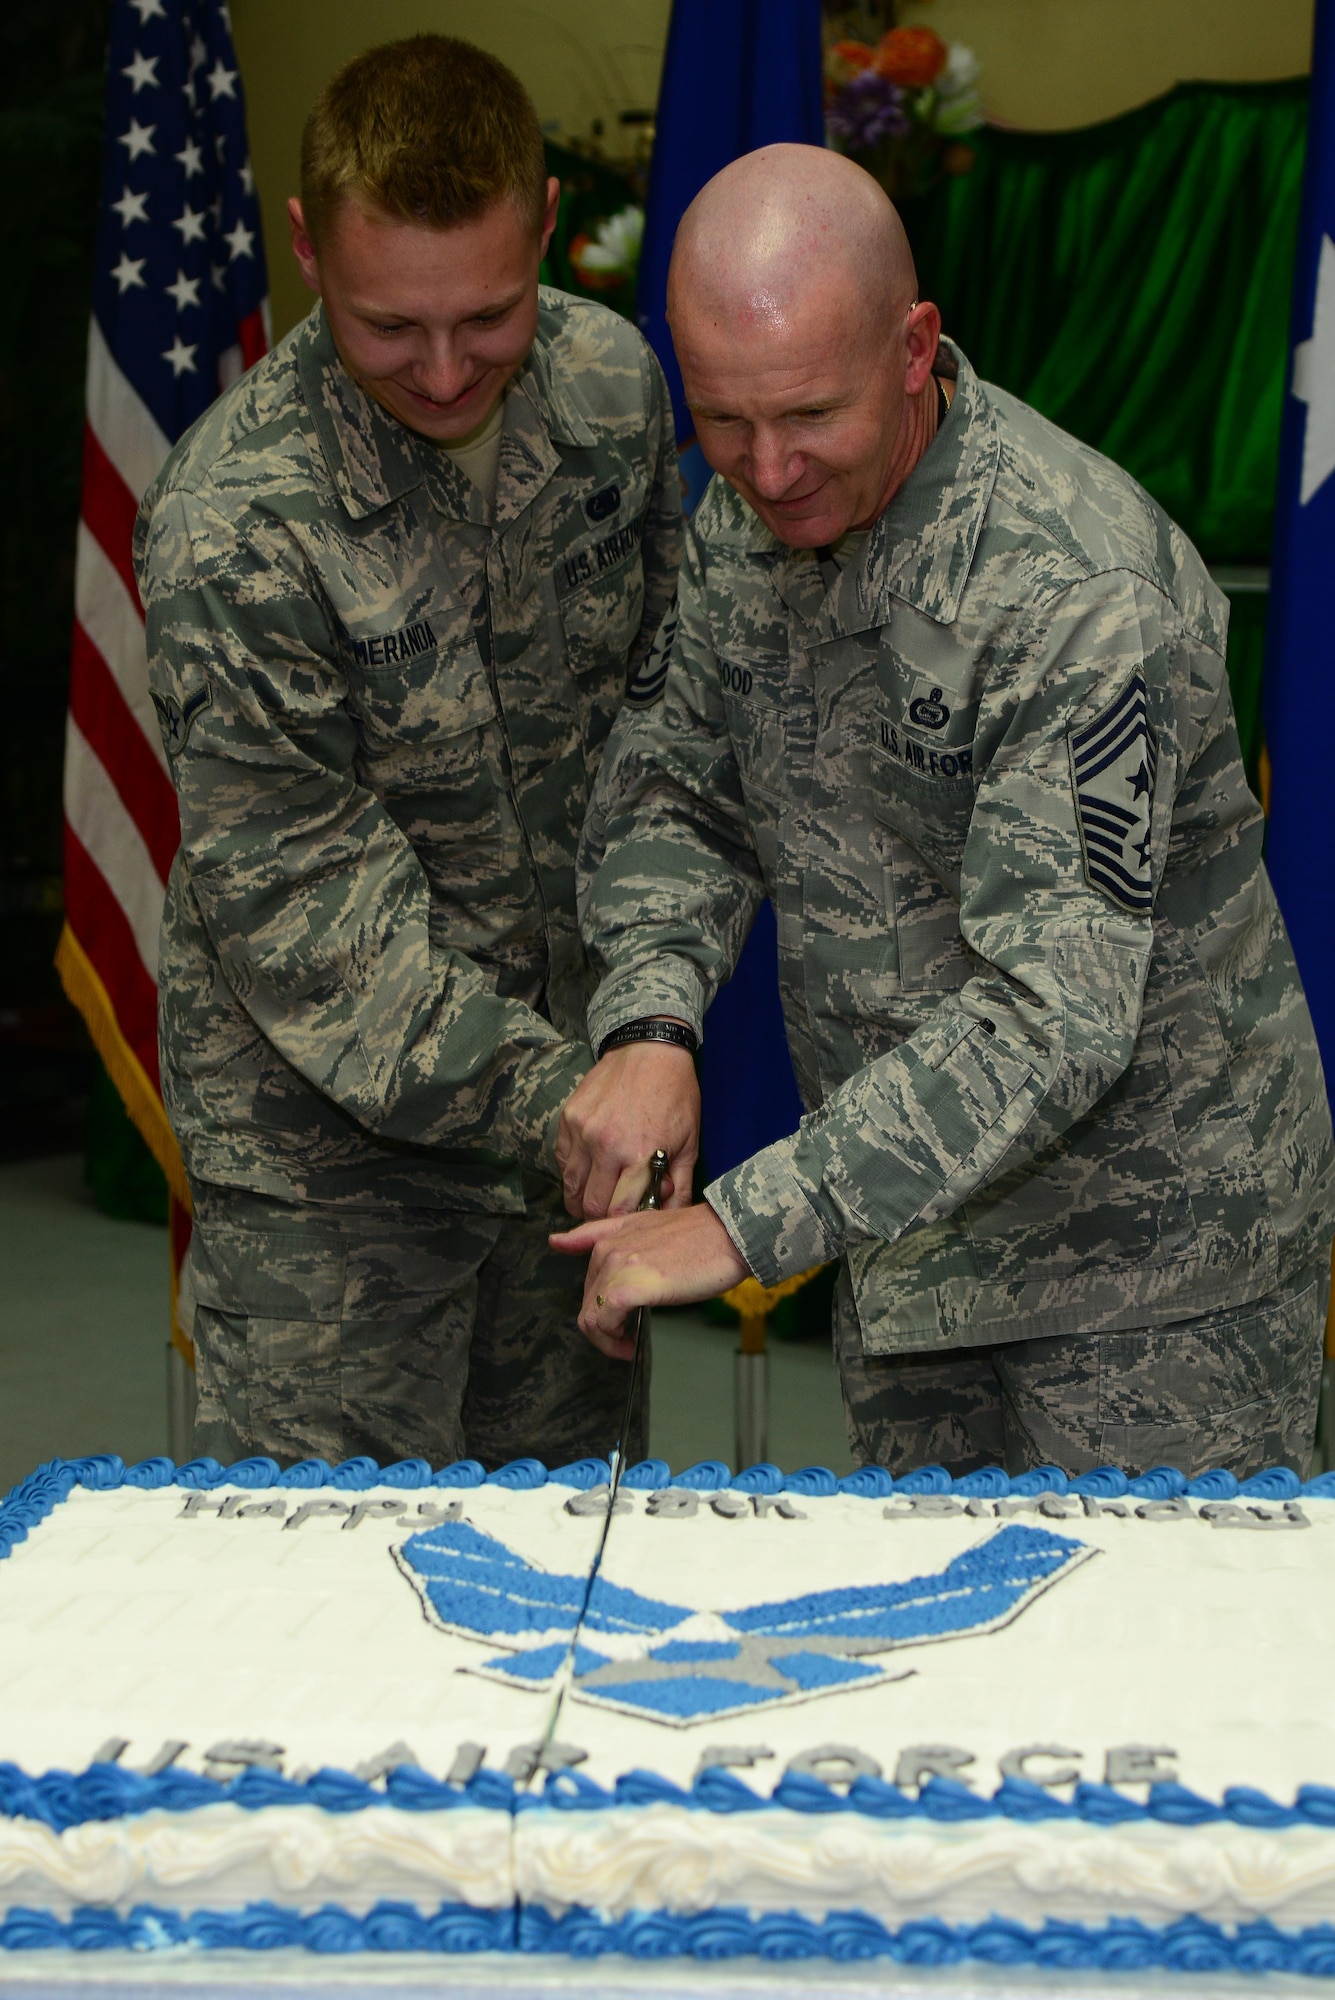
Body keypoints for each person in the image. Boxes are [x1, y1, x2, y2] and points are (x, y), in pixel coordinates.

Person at [554, 143, 1335, 1479]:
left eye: (807, 415)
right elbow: (680, 781)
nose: (767, 467)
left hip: (1155, 1278)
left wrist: (744, 1226)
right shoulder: (747, 516)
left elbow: (1051, 1015)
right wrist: (651, 1019)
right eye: (722, 421)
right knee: (938, 1660)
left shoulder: (1076, 589)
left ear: (915, 348)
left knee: (1142, 1675)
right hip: (915, 1243)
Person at [135, 36, 680, 1470]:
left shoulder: (616, 391)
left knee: (562, 1583)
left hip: (570, 1156)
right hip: (334, 1190)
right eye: (389, 328)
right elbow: (309, 918)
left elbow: (672, 724)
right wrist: (576, 1102)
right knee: (336, 1621)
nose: (445, 370)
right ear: (307, 249)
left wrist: (650, 1027)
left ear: (549, 223)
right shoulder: (235, 523)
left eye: (490, 317)